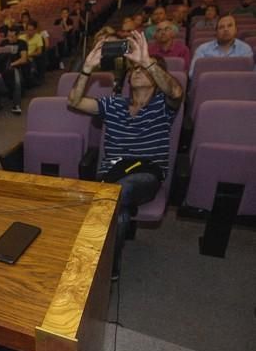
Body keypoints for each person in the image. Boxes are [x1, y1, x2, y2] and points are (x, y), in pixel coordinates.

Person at [68, 31, 183, 279]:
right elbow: (74, 101)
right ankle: (109, 269)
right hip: (111, 174)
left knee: (117, 192)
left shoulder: (163, 106)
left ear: (155, 76)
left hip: (144, 175)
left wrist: (147, 60)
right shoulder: (114, 104)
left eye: (142, 69)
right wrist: (87, 68)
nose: (136, 71)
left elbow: (175, 92)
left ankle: (90, 260)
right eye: (134, 69)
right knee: (117, 206)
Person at [189, 14, 254, 77]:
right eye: (221, 27)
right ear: (216, 32)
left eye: (230, 25)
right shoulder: (202, 49)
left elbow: (250, 75)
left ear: (236, 30)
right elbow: (192, 74)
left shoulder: (245, 49)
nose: (226, 29)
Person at [0, 26, 29, 115]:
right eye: (8, 36)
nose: (9, 38)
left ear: (17, 36)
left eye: (12, 36)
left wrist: (11, 64)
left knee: (17, 81)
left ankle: (16, 105)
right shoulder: (3, 43)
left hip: (16, 67)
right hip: (4, 67)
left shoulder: (22, 43)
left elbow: (24, 59)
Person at [19, 20, 47, 85]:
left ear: (35, 30)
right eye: (28, 30)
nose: (29, 32)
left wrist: (29, 55)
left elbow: (39, 51)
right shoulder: (21, 37)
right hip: (21, 56)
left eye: (31, 30)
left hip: (31, 56)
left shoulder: (38, 37)